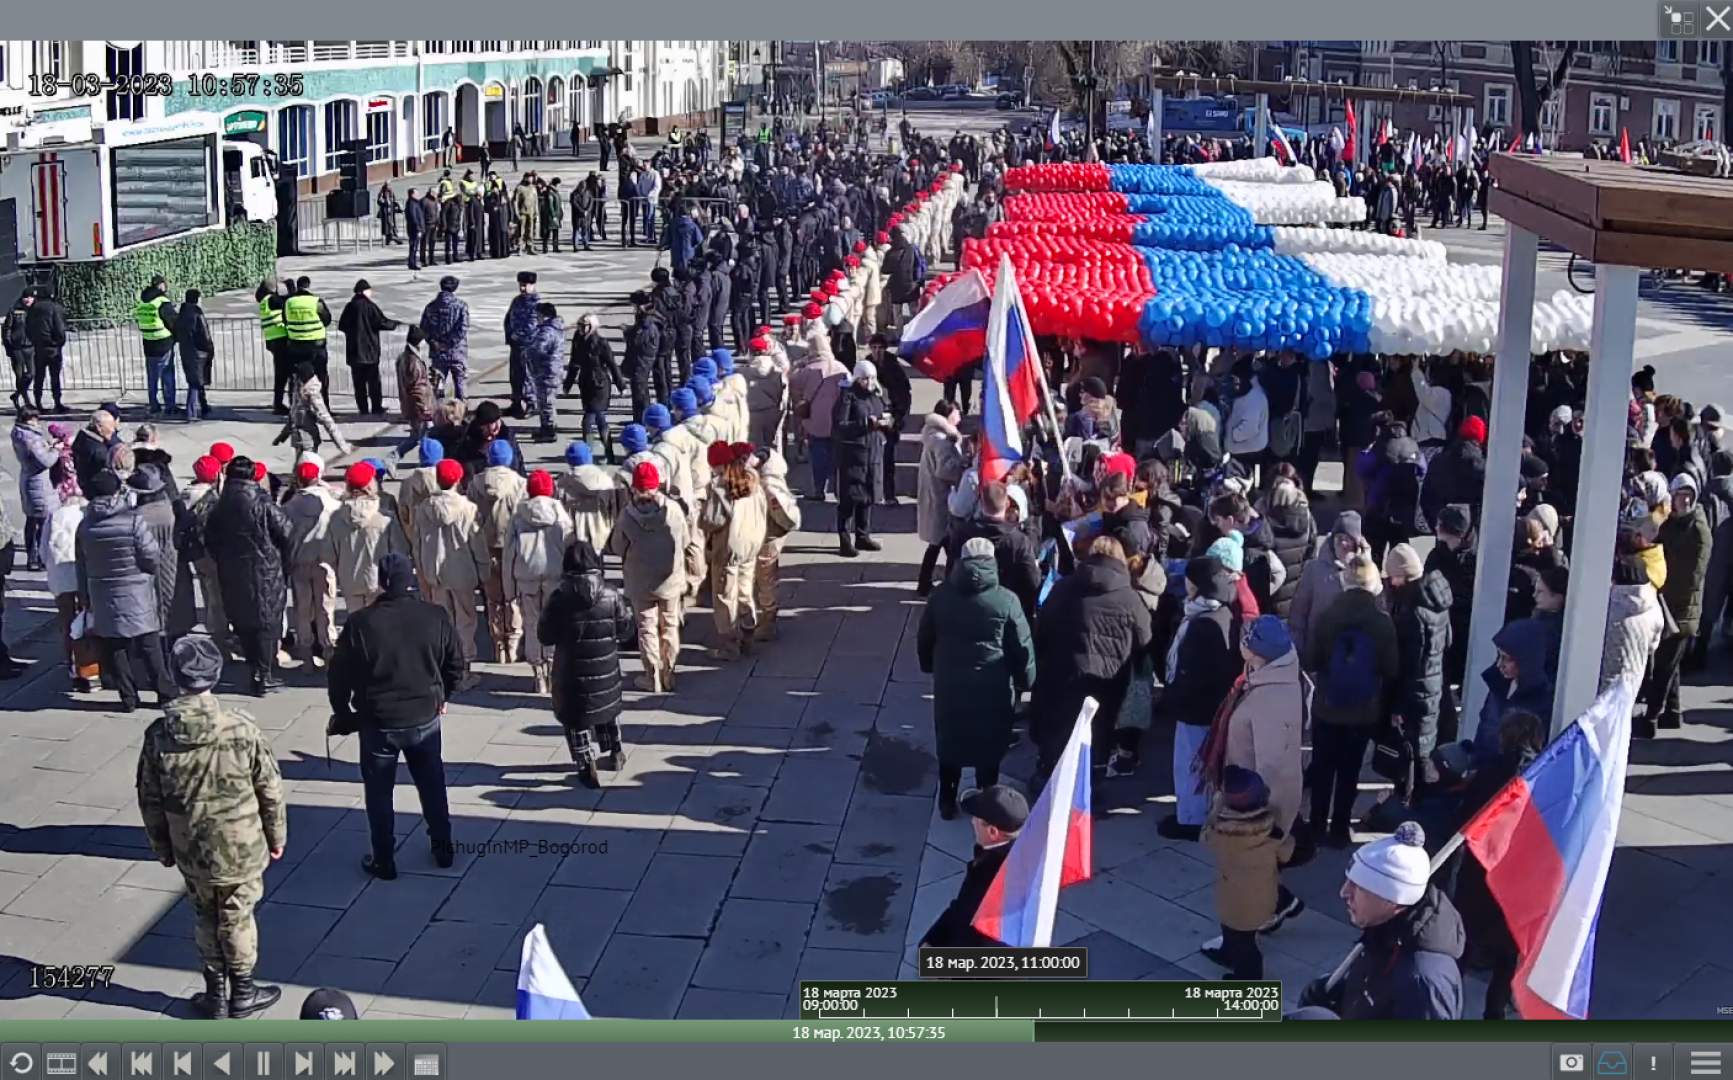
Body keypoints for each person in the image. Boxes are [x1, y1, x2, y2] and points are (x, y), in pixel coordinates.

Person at [136, 634, 287, 1019]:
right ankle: (244, 992)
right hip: (242, 847)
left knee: (205, 915)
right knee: (238, 916)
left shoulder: (158, 735)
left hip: (192, 850)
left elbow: (149, 800)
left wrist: (162, 848)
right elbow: (269, 789)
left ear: (174, 676)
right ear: (215, 677)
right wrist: (276, 836)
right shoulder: (241, 728)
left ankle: (215, 993)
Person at [328, 553, 465, 880]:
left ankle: (384, 859)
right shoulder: (436, 616)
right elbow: (456, 664)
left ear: (382, 583)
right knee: (433, 785)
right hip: (423, 716)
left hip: (378, 720)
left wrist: (343, 712)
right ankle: (443, 848)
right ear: (413, 579)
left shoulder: (361, 622)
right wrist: (444, 695)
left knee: (378, 793)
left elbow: (339, 675)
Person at [917, 535, 1035, 819]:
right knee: (989, 745)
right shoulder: (1006, 601)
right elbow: (1022, 646)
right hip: (992, 688)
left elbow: (925, 638)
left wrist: (929, 666)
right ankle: (987, 798)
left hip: (951, 686)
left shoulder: (941, 595)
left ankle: (947, 799)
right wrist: (1026, 681)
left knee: (950, 740)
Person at [1297, 822, 1466, 1020]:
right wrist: (1339, 995)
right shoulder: (1386, 931)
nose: (1344, 893)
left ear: (1391, 901)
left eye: (1358, 887)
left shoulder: (1423, 982)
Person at [1446, 708, 1545, 1018]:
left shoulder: (1489, 773)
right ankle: (1494, 1012)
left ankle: (1448, 1005)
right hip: (1518, 879)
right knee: (1507, 953)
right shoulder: (1542, 778)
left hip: (1481, 873)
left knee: (1462, 942)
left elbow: (1467, 819)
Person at [1303, 554, 1399, 848]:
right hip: (1363, 710)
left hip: (1327, 706)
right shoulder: (1382, 622)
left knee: (1322, 767)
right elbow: (1391, 668)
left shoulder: (1327, 617)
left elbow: (1311, 660)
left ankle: (1317, 824)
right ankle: (1340, 828)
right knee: (1349, 772)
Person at [1154, 555, 1239, 840]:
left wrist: (1173, 699)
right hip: (1213, 706)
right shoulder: (1223, 613)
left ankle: (1191, 821)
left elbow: (1191, 673)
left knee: (1191, 766)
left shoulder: (1202, 623)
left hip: (1196, 709)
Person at [537, 541, 634, 788]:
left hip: (570, 671)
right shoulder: (611, 594)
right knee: (607, 709)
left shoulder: (558, 598)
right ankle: (615, 752)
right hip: (605, 667)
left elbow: (545, 636)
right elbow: (625, 631)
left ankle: (584, 763)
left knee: (574, 719)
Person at [78, 470, 174, 711]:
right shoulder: (132, 520)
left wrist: (85, 596)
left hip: (102, 592)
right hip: (136, 590)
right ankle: (164, 693)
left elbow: (81, 563)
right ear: (116, 492)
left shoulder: (85, 525)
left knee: (115, 646)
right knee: (149, 643)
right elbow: (151, 556)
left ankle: (129, 698)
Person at [203, 457, 293, 696]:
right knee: (266, 624)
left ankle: (255, 669)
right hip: (265, 572)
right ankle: (264, 676)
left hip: (232, 572)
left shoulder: (220, 505)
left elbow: (210, 540)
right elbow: (286, 532)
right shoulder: (262, 502)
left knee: (244, 623)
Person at [610, 462, 689, 694]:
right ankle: (669, 672)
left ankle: (651, 675)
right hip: (670, 579)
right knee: (670, 625)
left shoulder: (627, 516)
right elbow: (684, 540)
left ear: (634, 487)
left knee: (646, 628)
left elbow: (616, 547)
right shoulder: (673, 510)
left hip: (639, 580)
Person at [917, 785, 1029, 948]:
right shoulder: (1003, 855)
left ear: (992, 832)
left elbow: (989, 942)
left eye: (976, 819)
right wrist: (933, 939)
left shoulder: (997, 877)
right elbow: (962, 907)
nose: (972, 822)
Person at [1200, 765, 1283, 980]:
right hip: (1262, 896)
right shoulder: (1272, 831)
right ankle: (1229, 955)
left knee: (1244, 946)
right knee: (1242, 938)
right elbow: (1287, 851)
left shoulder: (1221, 833)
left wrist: (1217, 806)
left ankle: (1249, 983)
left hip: (1233, 899)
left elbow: (1204, 838)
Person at [1384, 542, 1453, 798]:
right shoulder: (1437, 600)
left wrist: (1397, 706)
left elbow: (1407, 664)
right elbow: (1447, 642)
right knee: (1425, 745)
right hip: (1434, 686)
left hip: (1415, 692)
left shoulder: (1412, 612)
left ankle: (1408, 801)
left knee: (1411, 752)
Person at [1649, 473, 1712, 732]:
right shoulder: (1673, 523)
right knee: (1670, 664)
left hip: (1680, 608)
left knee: (1663, 666)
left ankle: (1651, 717)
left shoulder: (1698, 530)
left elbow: (1692, 577)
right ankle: (1672, 713)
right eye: (1679, 495)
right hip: (1669, 603)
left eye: (1688, 496)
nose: (1683, 500)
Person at [415, 459, 490, 669]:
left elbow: (417, 543)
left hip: (435, 572)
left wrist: (422, 570)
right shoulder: (468, 508)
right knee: (466, 619)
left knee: (442, 620)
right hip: (463, 572)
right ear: (458, 479)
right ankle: (464, 665)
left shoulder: (423, 508)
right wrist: (484, 572)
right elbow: (477, 544)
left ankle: (445, 662)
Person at [505, 470, 573, 694]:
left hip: (526, 578)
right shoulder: (561, 515)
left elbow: (509, 555)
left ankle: (538, 675)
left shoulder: (518, 517)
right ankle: (553, 670)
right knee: (555, 626)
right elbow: (570, 548)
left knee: (532, 626)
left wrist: (509, 588)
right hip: (555, 577)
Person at [701, 443, 769, 660]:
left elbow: (711, 521)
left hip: (729, 548)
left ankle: (730, 644)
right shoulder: (752, 478)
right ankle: (748, 631)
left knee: (725, 595)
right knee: (745, 589)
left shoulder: (721, 487)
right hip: (752, 543)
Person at [468, 440, 528, 662]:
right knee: (513, 596)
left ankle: (498, 644)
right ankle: (513, 643)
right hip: (511, 546)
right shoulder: (520, 484)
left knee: (493, 599)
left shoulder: (475, 483)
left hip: (486, 546)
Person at [283, 459, 342, 668]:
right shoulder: (331, 504)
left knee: (302, 609)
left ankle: (306, 655)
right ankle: (328, 652)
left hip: (299, 562)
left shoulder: (289, 506)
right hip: (324, 562)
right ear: (318, 477)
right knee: (326, 608)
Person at [330, 462, 410, 614]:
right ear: (370, 485)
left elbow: (330, 554)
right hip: (379, 580)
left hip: (349, 581)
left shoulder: (336, 518)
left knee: (356, 620)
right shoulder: (385, 519)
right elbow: (400, 551)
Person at [1289, 511, 1368, 658]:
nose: (1343, 543)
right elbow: (1298, 615)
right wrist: (1298, 650)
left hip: (1352, 659)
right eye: (1339, 538)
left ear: (1357, 543)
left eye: (1349, 539)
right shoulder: (1314, 569)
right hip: (1317, 654)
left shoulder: (1368, 572)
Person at [832, 360, 890, 557]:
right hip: (852, 456)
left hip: (873, 453)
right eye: (865, 379)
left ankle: (863, 536)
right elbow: (840, 425)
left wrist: (887, 422)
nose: (870, 382)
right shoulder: (848, 396)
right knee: (849, 499)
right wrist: (865, 423)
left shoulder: (877, 395)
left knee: (868, 496)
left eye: (872, 378)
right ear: (857, 378)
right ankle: (845, 541)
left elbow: (886, 410)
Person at [789, 334, 849, 502]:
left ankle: (819, 489)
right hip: (838, 419)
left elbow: (792, 384)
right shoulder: (840, 367)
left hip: (815, 419)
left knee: (818, 455)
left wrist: (798, 365)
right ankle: (838, 489)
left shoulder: (807, 370)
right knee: (837, 456)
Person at [915, 401, 965, 596]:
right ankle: (932, 583)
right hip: (941, 497)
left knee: (941, 542)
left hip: (933, 493)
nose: (960, 416)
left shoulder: (932, 433)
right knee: (944, 542)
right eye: (957, 412)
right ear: (949, 414)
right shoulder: (944, 440)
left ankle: (927, 582)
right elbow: (944, 470)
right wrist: (962, 464)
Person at [752, 447, 802, 643]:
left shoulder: (767, 485)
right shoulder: (771, 473)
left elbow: (780, 512)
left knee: (765, 577)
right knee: (766, 576)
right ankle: (765, 615)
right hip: (770, 533)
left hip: (768, 534)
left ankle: (768, 619)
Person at [337, 280, 401, 418]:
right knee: (373, 382)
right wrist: (395, 324)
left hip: (354, 351)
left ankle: (363, 408)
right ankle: (376, 407)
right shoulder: (370, 306)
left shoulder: (350, 307)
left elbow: (342, 325)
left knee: (358, 382)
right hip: (370, 351)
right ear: (365, 291)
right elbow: (381, 322)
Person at [566, 315, 625, 463]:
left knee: (588, 421)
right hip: (586, 384)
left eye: (584, 326)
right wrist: (568, 383)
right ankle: (606, 454)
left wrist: (620, 384)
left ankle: (589, 454)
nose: (581, 329)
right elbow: (573, 362)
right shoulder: (578, 341)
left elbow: (612, 364)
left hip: (600, 385)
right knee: (600, 420)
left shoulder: (601, 343)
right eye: (579, 325)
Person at [12, 406, 59, 570]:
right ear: (30, 419)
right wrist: (55, 450)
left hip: (29, 480)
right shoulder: (31, 437)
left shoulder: (19, 433)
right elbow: (46, 461)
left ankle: (33, 556)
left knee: (32, 520)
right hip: (39, 483)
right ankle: (37, 558)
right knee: (42, 522)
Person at [282, 277, 333, 406]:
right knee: (321, 376)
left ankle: (296, 406)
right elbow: (326, 319)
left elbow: (285, 319)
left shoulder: (289, 302)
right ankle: (324, 406)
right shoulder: (316, 302)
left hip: (296, 345)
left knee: (296, 378)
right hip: (316, 345)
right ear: (308, 286)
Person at [135, 277, 180, 417]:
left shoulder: (143, 301)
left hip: (148, 342)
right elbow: (172, 321)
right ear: (160, 286)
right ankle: (170, 406)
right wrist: (177, 336)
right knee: (167, 375)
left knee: (152, 377)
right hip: (163, 342)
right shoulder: (162, 302)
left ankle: (154, 405)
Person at [422, 276, 472, 401]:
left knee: (438, 383)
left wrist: (434, 343)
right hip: (457, 352)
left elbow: (424, 329)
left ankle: (437, 412)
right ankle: (461, 411)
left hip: (437, 352)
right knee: (460, 383)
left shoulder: (431, 307)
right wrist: (451, 343)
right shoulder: (461, 306)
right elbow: (463, 328)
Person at [525, 303, 566, 443]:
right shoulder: (556, 329)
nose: (537, 318)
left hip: (546, 372)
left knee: (546, 402)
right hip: (551, 370)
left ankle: (549, 430)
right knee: (544, 402)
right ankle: (545, 427)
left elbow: (537, 350)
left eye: (539, 315)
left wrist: (527, 351)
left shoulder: (547, 332)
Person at [24, 287, 67, 413]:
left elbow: (27, 328)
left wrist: (33, 341)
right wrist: (59, 342)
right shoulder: (54, 307)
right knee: (55, 377)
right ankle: (57, 403)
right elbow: (59, 328)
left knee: (39, 377)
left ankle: (38, 403)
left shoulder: (33, 308)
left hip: (38, 347)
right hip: (52, 348)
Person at [175, 289, 215, 422]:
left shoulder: (182, 312)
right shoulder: (197, 313)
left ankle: (204, 406)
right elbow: (205, 334)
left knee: (197, 380)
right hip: (198, 352)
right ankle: (191, 412)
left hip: (185, 350)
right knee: (195, 382)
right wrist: (210, 348)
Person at [3, 293, 33, 411]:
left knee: (31, 373)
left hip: (30, 347)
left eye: (30, 297)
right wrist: (9, 346)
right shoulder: (14, 311)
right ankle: (26, 401)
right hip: (16, 348)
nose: (28, 300)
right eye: (26, 297)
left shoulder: (35, 311)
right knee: (19, 376)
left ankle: (16, 395)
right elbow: (7, 330)